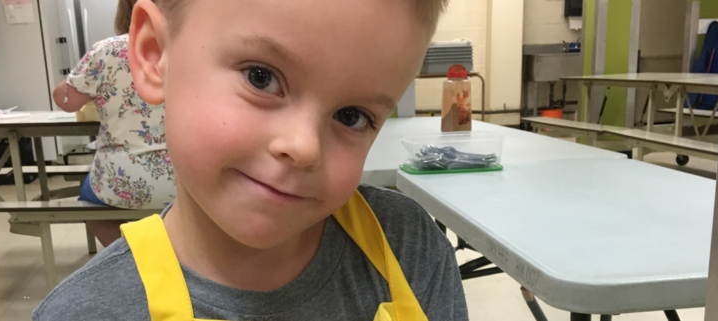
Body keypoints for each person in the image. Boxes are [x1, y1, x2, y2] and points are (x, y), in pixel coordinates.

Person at [34, 0, 468, 320]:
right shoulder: (85, 313)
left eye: (351, 116)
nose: (304, 147)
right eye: (261, 77)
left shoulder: (409, 251)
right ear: (153, 54)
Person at [51, 0, 174, 247]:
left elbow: (65, 100)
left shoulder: (108, 50)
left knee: (89, 198)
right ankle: (170, 253)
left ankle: (128, 257)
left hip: (119, 183)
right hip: (183, 183)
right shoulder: (191, 46)